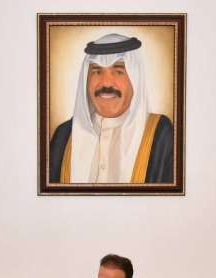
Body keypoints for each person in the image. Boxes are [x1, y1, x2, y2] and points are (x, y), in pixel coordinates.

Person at [49, 33, 174, 184]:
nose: (106, 83)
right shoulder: (64, 135)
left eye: (118, 72)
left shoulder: (161, 133)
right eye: (97, 71)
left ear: (135, 78)